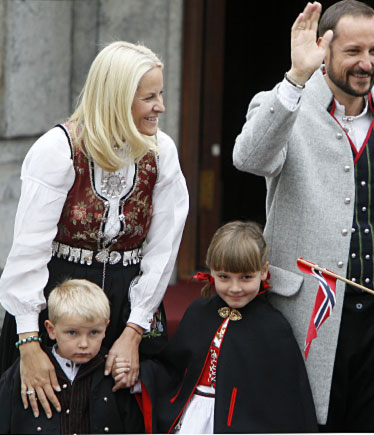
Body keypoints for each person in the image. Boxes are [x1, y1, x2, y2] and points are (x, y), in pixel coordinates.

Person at [232, 1, 374, 432]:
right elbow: (249, 158)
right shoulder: (283, 105)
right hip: (307, 316)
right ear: (323, 49)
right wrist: (295, 78)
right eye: (353, 51)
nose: (366, 63)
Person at [0, 41, 189, 420]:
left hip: (128, 299)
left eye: (161, 94)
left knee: (118, 417)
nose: (161, 107)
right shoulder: (58, 149)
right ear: (117, 98)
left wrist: (134, 331)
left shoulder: (161, 152)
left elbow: (163, 249)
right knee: (42, 414)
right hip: (59, 297)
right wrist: (29, 343)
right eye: (149, 97)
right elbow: (29, 250)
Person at [116, 221, 317, 433]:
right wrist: (142, 376)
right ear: (211, 271)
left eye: (246, 277)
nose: (235, 288)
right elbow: (172, 369)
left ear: (264, 271)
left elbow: (287, 401)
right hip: (192, 418)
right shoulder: (199, 313)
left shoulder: (274, 328)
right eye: (224, 277)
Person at [0, 279, 144, 433]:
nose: (84, 344)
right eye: (72, 332)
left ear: (105, 328)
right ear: (51, 330)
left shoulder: (113, 371)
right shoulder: (27, 370)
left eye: (94, 332)